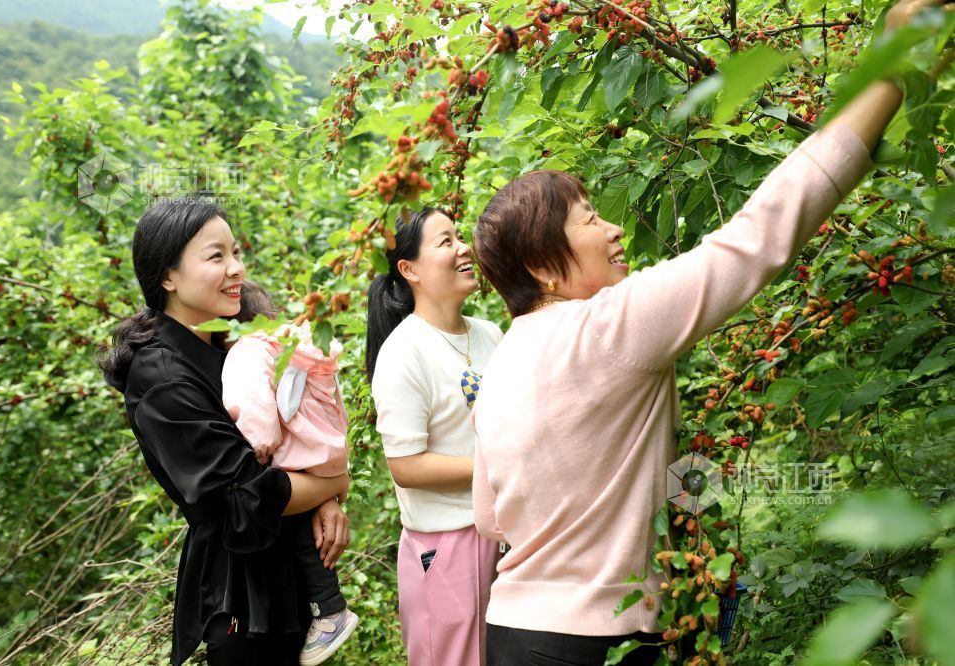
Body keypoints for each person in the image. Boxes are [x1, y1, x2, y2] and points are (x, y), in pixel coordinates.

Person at [469, 1, 949, 664]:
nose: (611, 228)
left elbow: (493, 520)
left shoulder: (502, 362)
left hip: (513, 631)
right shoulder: (609, 327)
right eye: (587, 219)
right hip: (599, 639)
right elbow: (757, 239)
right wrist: (887, 72)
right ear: (542, 268)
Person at [98, 199, 349, 666]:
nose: (235, 268)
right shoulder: (161, 378)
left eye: (235, 252)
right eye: (216, 257)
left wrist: (324, 499)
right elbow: (242, 498)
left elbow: (288, 430)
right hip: (243, 601)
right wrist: (334, 482)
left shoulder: (236, 344)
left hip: (296, 582)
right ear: (167, 276)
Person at [366, 208, 503, 666]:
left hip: (504, 534)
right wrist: (498, 465)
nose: (464, 247)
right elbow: (406, 466)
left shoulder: (490, 334)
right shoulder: (403, 353)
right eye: (445, 242)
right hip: (447, 546)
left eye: (460, 237)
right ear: (410, 270)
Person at [222, 282, 359, 666]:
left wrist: (258, 444)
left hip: (298, 454)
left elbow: (251, 402)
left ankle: (331, 612)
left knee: (297, 525)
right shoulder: (296, 345)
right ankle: (328, 609)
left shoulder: (246, 350)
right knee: (309, 529)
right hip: (326, 449)